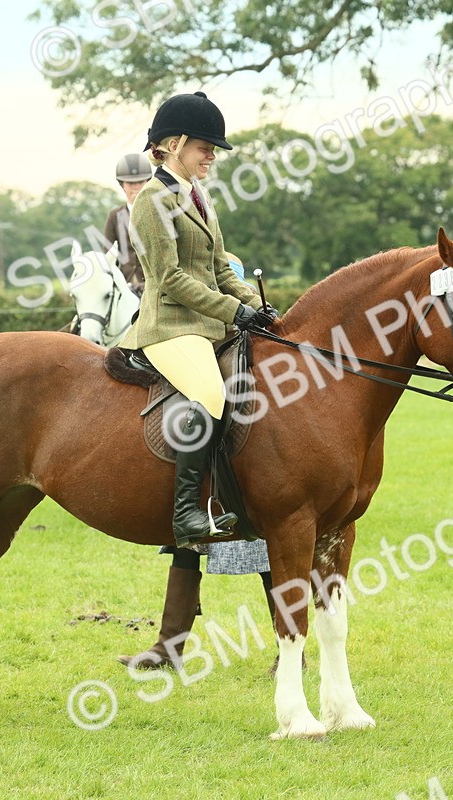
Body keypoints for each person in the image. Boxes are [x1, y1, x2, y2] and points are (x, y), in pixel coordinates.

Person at [120, 90, 276, 550]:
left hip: (208, 323)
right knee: (210, 392)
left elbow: (221, 268)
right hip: (169, 326)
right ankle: (187, 512)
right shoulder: (151, 201)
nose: (211, 155)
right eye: (204, 147)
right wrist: (234, 312)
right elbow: (167, 277)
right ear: (174, 143)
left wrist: (256, 305)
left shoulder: (197, 195)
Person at [118, 250, 277, 672]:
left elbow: (227, 295)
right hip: (193, 356)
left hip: (233, 367)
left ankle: (288, 647)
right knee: (185, 544)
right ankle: (169, 646)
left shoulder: (224, 263)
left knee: (265, 545)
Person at [103, 152, 153, 292]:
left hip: (155, 286)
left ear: (148, 182)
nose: (136, 187)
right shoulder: (114, 216)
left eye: (140, 182)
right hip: (125, 287)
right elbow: (107, 254)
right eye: (130, 183)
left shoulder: (160, 213)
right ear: (122, 185)